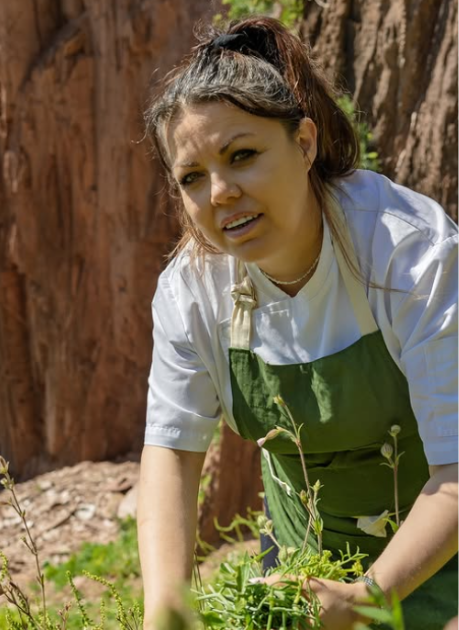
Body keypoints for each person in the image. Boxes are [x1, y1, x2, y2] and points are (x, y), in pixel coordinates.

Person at [136, 16, 457, 630]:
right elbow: (172, 451)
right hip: (299, 579)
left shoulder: (409, 253)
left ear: (304, 143)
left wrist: (364, 599)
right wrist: (167, 611)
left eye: (243, 156)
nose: (220, 193)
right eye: (192, 178)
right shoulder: (191, 290)